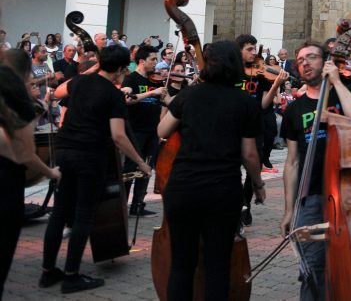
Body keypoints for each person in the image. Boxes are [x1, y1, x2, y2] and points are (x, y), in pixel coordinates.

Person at [156, 40, 265, 300]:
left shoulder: (188, 95)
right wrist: (258, 185)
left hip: (183, 187)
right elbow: (249, 154)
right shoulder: (244, 102)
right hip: (222, 189)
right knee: (218, 266)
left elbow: (161, 131)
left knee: (182, 265)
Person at [40, 45, 152, 294]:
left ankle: (48, 272)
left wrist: (87, 71)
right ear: (122, 70)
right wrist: (142, 163)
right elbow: (119, 136)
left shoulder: (80, 82)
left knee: (59, 212)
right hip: (90, 157)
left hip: (65, 150)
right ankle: (71, 275)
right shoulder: (113, 95)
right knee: (83, 215)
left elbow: (56, 93)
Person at [280, 41, 351, 301]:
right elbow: (292, 162)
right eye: (301, 59)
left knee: (349, 264)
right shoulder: (295, 110)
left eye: (312, 57)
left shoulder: (343, 94)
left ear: (326, 61)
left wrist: (337, 84)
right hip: (311, 195)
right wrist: (289, 209)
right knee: (311, 270)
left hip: (346, 192)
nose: (306, 62)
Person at [0, 64, 60, 299]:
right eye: (29, 84)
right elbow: (25, 154)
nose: (32, 87)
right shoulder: (14, 119)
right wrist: (51, 172)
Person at [237, 34, 286, 225]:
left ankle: (245, 205)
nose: (253, 53)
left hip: (254, 124)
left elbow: (265, 104)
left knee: (254, 168)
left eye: (254, 48)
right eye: (249, 49)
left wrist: (275, 85)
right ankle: (234, 206)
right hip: (234, 126)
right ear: (239, 50)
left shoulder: (261, 74)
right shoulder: (232, 71)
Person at [121, 45, 169, 216]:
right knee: (131, 166)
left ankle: (138, 204)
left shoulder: (154, 79)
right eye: (153, 59)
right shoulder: (131, 79)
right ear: (141, 61)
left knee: (147, 167)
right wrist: (151, 93)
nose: (156, 63)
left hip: (152, 129)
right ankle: (122, 205)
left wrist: (162, 94)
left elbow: (162, 103)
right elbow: (126, 100)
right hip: (136, 129)